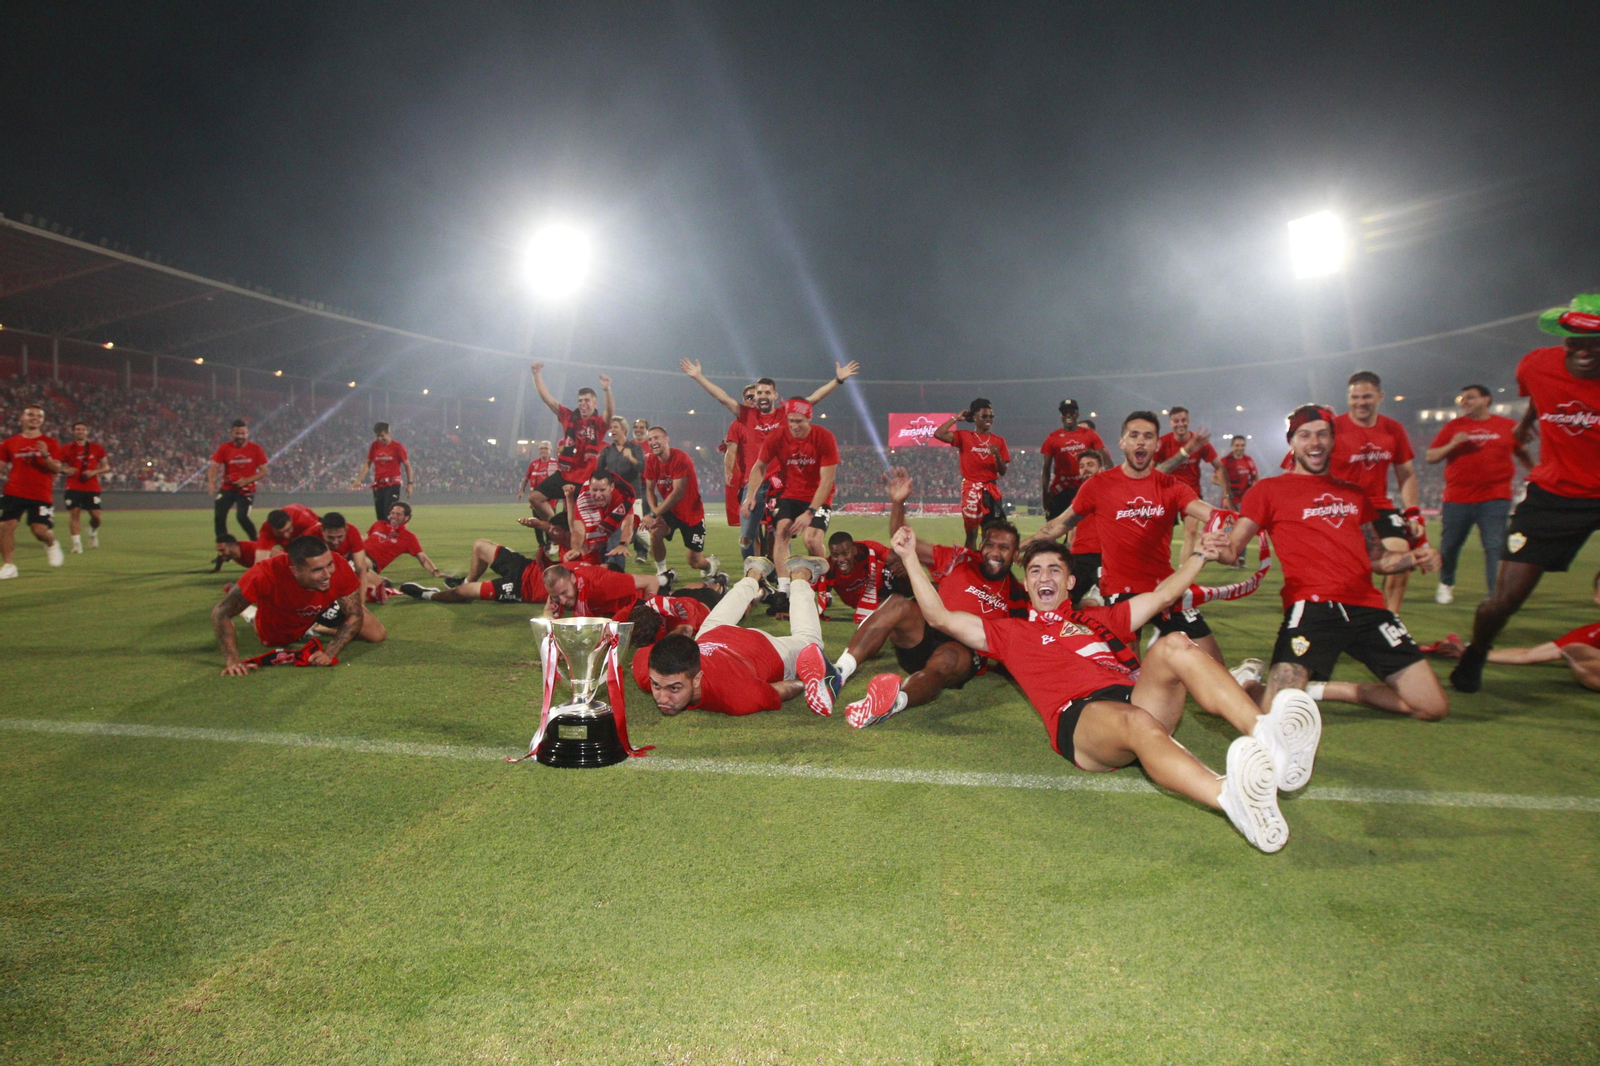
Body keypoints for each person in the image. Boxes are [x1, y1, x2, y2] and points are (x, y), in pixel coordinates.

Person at [892, 527, 1319, 853]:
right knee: (1135, 722)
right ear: (1028, 582)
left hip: (1135, 697)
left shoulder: (1099, 620)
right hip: (1081, 721)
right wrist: (910, 557)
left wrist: (1199, 556)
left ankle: (1269, 736)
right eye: (1035, 570)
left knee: (1174, 644)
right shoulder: (1011, 632)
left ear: (1069, 582)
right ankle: (1230, 798)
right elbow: (941, 617)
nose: (1044, 577)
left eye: (1054, 570)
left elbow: (1162, 596)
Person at [1218, 405, 1448, 721]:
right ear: (1292, 442)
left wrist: (1414, 557)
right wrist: (1216, 547)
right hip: (1313, 608)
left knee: (1432, 707)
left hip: (1368, 609)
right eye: (1305, 435)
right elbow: (1232, 549)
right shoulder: (1267, 491)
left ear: (1332, 440)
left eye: (1322, 434)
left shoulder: (1355, 494)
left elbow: (1377, 559)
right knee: (1274, 715)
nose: (1314, 442)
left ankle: (1328, 690)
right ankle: (1248, 682)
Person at [1452, 296, 1600, 692]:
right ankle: (1477, 651)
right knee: (1504, 601)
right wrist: (1526, 422)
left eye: (1596, 341)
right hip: (1555, 495)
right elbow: (1539, 390)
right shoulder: (1535, 365)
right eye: (1576, 340)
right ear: (1564, 338)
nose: (1585, 350)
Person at [841, 468, 1028, 727]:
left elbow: (1023, 641)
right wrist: (898, 503)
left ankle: (891, 703)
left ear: (1015, 555)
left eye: (1004, 547)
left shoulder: (1017, 595)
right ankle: (838, 673)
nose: (994, 552)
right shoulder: (960, 559)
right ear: (981, 545)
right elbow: (904, 542)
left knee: (948, 658)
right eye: (989, 544)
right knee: (897, 604)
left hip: (961, 651)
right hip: (923, 635)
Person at [1031, 411, 1223, 661]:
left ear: (1157, 444)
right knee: (1128, 668)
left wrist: (1226, 532)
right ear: (1122, 442)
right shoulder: (1099, 485)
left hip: (1164, 586)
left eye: (1148, 436)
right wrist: (1022, 546)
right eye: (1134, 435)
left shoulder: (1171, 486)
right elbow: (1057, 526)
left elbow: (1217, 516)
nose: (1141, 441)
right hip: (1120, 589)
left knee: (1213, 661)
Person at [680, 358, 859, 559]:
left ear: (775, 395)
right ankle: (751, 571)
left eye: (767, 392)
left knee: (780, 533)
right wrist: (698, 376)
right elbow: (721, 397)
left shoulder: (786, 413)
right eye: (759, 393)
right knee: (746, 537)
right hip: (755, 483)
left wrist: (838, 380)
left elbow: (814, 398)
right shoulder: (746, 415)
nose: (762, 396)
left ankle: (783, 572)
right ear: (755, 396)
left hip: (781, 484)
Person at [635, 555, 843, 716]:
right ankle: (755, 572)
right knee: (712, 626)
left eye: (674, 688)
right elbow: (644, 656)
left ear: (697, 679)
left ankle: (800, 574)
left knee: (811, 644)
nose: (662, 698)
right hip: (716, 636)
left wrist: (808, 681)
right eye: (656, 685)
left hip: (763, 649)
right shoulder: (648, 669)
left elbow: (783, 690)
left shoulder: (735, 695)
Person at [1320, 371, 1423, 616]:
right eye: (1354, 397)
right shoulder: (1331, 429)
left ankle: (1392, 620)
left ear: (1380, 396)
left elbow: (1406, 473)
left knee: (1401, 559)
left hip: (1378, 507)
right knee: (1345, 574)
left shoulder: (1393, 429)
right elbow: (1299, 466)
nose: (1360, 402)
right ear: (1348, 398)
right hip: (1340, 509)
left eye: (1367, 396)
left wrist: (1413, 512)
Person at [211, 535, 386, 676]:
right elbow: (221, 612)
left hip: (322, 605)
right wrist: (233, 660)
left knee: (377, 634)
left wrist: (330, 652)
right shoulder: (263, 574)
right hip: (283, 616)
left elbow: (354, 614)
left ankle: (316, 626)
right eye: (317, 570)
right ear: (295, 570)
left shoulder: (338, 565)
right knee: (275, 640)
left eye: (329, 564)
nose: (327, 574)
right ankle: (251, 613)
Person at [1424, 384, 1532, 603]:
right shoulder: (1453, 427)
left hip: (1495, 497)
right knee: (1450, 545)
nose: (1465, 402)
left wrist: (1537, 474)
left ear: (1486, 400)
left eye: (1470, 397)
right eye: (1463, 399)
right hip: (1458, 498)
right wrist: (1453, 444)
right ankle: (1446, 583)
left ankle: (1495, 594)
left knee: (1494, 547)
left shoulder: (1507, 426)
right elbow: (1431, 457)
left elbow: (1523, 452)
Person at [1429, 571, 1600, 692]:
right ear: (1597, 597)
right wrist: (1471, 654)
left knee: (1576, 654)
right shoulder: (1593, 631)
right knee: (1574, 650)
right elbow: (1529, 654)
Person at [745, 398, 840, 608]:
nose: (794, 426)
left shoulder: (824, 437)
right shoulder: (778, 436)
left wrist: (810, 512)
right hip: (790, 494)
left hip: (818, 495)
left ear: (809, 419)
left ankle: (823, 587)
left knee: (812, 540)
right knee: (781, 533)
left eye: (799, 421)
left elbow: (827, 481)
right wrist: (750, 495)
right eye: (790, 421)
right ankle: (784, 589)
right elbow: (759, 466)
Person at [526, 363, 615, 529]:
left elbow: (610, 413)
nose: (583, 403)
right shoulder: (569, 417)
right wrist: (536, 375)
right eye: (580, 400)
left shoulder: (598, 423)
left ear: (595, 403)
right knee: (535, 497)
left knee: (584, 524)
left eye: (587, 400)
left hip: (587, 481)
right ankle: (557, 527)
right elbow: (548, 400)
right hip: (565, 475)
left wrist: (606, 389)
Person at [641, 425, 718, 583]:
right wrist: (655, 512)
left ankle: (709, 564)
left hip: (691, 513)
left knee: (694, 562)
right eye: (650, 439)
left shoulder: (681, 458)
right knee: (655, 533)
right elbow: (649, 489)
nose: (653, 442)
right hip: (670, 510)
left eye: (656, 438)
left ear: (666, 439)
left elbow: (678, 493)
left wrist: (654, 513)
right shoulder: (651, 460)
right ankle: (662, 572)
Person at [0, 403, 66, 578]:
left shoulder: (51, 443)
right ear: (22, 417)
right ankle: (9, 565)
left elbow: (57, 469)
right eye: (30, 415)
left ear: (42, 420)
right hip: (14, 491)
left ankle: (51, 543)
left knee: (39, 531)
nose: (35, 418)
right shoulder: (9, 443)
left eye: (39, 416)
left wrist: (45, 455)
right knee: (6, 526)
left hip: (40, 493)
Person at [936, 398, 1011, 549]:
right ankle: (970, 562)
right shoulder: (964, 436)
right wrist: (956, 418)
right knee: (971, 534)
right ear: (975, 417)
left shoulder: (999, 441)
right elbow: (939, 434)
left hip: (991, 490)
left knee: (992, 535)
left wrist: (997, 456)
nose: (989, 419)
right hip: (971, 489)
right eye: (984, 416)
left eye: (991, 416)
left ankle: (986, 563)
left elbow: (1003, 471)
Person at [1155, 406, 1220, 559]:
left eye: (1183, 420)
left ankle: (1184, 570)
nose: (1180, 423)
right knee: (1164, 536)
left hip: (1191, 492)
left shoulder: (1198, 441)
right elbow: (1152, 470)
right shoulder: (1163, 442)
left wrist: (1221, 479)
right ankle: (1161, 567)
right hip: (1166, 494)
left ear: (1188, 421)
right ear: (1171, 423)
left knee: (1191, 533)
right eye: (1176, 421)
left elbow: (1218, 464)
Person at [1039, 398, 1105, 520]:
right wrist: (1045, 494)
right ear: (1061, 416)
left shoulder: (1089, 434)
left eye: (1072, 412)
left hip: (1084, 486)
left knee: (1087, 524)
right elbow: (1046, 468)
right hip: (1061, 488)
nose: (1068, 415)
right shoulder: (1052, 438)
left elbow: (1105, 459)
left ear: (1077, 414)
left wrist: (1108, 484)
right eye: (1065, 412)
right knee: (1054, 525)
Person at [596, 415, 650, 561]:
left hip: (633, 495)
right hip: (614, 496)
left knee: (638, 529)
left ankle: (654, 545)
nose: (612, 430)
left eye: (615, 427)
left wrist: (631, 458)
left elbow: (642, 468)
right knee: (613, 527)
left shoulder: (635, 448)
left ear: (624, 430)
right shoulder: (607, 451)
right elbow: (598, 472)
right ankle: (611, 556)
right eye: (611, 427)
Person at [561, 468, 637, 570]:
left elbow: (627, 525)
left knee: (615, 548)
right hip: (602, 527)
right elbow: (578, 530)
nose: (598, 495)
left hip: (620, 525)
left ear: (611, 487)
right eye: (594, 490)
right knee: (593, 552)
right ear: (589, 488)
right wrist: (576, 549)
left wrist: (622, 544)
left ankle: (617, 575)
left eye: (602, 490)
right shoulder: (584, 499)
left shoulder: (623, 497)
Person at [208, 419, 269, 542]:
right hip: (228, 488)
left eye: (243, 433)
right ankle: (224, 546)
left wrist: (246, 481)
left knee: (242, 517)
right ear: (232, 433)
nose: (240, 436)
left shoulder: (255, 449)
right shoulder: (225, 448)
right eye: (237, 433)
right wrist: (211, 482)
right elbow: (213, 466)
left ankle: (256, 542)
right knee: (219, 516)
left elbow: (264, 471)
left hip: (246, 489)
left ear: (247, 433)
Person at [820, 530, 892, 625]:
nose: (841, 559)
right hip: (865, 602)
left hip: (886, 583)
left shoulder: (867, 549)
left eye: (845, 553)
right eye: (835, 555)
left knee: (900, 570)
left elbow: (897, 557)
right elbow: (806, 583)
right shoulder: (828, 570)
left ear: (854, 550)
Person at [59, 420, 110, 552]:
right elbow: (56, 465)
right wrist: (64, 470)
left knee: (96, 517)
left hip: (91, 487)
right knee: (74, 514)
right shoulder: (66, 449)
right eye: (77, 429)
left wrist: (94, 472)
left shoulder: (97, 448)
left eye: (83, 429)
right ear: (73, 432)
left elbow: (106, 467)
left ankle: (93, 531)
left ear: (87, 432)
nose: (80, 431)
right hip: (73, 485)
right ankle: (77, 544)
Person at [1064, 449, 1107, 607]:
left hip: (1104, 556)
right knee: (1066, 601)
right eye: (1082, 466)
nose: (1085, 469)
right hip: (1080, 556)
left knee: (1115, 603)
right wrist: (1069, 547)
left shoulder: (1110, 491)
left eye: (1090, 465)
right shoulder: (1080, 495)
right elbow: (1072, 525)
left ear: (1100, 468)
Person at [364, 502, 445, 583]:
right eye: (392, 513)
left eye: (398, 514)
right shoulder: (379, 524)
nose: (394, 516)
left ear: (406, 517)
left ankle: (372, 578)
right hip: (360, 553)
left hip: (370, 562)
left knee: (360, 562)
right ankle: (373, 579)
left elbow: (423, 558)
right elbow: (364, 539)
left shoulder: (408, 537)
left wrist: (435, 572)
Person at [351, 422, 413, 522]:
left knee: (388, 513)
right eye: (377, 436)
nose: (380, 439)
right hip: (378, 484)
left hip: (392, 484)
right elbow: (368, 463)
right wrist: (358, 480)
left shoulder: (397, 447)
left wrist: (410, 484)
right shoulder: (374, 446)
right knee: (380, 516)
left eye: (382, 435)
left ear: (389, 433)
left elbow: (407, 466)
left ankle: (392, 531)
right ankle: (382, 531)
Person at [1216, 435, 1259, 511]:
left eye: (1243, 445)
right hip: (1230, 500)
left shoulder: (1249, 460)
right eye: (1237, 445)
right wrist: (1228, 486)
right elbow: (1214, 478)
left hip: (1245, 501)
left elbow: (1255, 477)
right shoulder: (1225, 461)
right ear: (1232, 447)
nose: (1240, 448)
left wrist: (1253, 488)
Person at [257, 504, 321, 551]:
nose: (286, 536)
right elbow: (260, 558)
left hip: (309, 526)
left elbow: (321, 534)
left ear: (291, 520)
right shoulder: (266, 530)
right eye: (279, 533)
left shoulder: (304, 520)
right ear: (271, 528)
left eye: (288, 530)